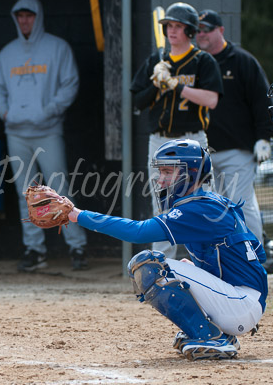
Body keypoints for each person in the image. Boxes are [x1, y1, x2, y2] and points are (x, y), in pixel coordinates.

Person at [56, 139, 267, 360]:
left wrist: (78, 215)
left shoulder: (199, 208)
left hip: (241, 304)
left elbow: (137, 232)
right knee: (178, 267)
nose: (160, 178)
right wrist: (201, 271)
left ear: (192, 173)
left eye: (168, 171)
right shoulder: (210, 202)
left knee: (148, 264)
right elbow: (252, 256)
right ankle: (219, 334)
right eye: (161, 171)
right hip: (242, 301)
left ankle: (211, 337)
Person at [0, 0, 88, 271]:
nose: (24, 20)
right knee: (25, 193)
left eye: (29, 15)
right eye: (20, 16)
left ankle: (76, 246)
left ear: (38, 16)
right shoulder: (7, 53)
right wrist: (7, 113)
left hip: (48, 130)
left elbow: (70, 84)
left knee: (59, 190)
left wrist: (49, 110)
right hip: (17, 132)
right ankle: (34, 249)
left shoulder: (58, 48)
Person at [130, 2, 224, 259]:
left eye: (178, 26)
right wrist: (156, 85)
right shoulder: (155, 61)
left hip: (192, 140)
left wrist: (175, 85)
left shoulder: (202, 61)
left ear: (190, 31)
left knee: (203, 203)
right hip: (160, 142)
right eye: (169, 25)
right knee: (161, 205)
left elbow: (211, 100)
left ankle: (211, 261)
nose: (172, 31)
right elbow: (137, 102)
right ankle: (161, 265)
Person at [196, 9, 273, 245]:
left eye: (207, 30)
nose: (202, 35)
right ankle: (226, 256)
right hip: (204, 149)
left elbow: (262, 102)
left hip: (237, 149)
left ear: (221, 30)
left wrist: (264, 138)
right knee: (212, 208)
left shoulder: (242, 60)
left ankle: (256, 254)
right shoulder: (197, 62)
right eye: (197, 31)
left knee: (241, 201)